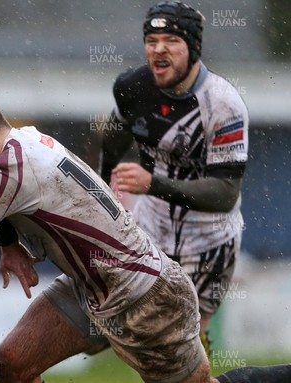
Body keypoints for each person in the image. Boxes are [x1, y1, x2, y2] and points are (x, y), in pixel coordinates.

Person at [0, 88, 290, 383]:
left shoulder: (11, 166)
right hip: (91, 289)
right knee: (14, 364)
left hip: (145, 296)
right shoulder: (21, 142)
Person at [99, 1, 249, 355]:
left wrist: (153, 183)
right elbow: (113, 139)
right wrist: (103, 189)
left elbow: (225, 193)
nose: (158, 49)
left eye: (171, 40)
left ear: (193, 48)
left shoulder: (224, 104)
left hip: (209, 244)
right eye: (151, 40)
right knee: (141, 340)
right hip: (150, 230)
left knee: (183, 347)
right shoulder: (132, 87)